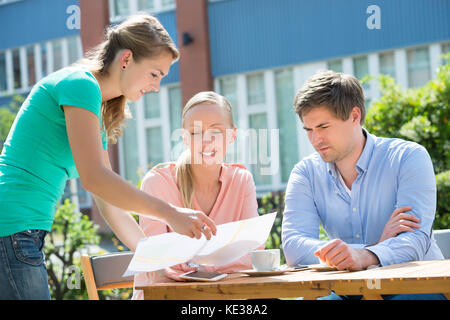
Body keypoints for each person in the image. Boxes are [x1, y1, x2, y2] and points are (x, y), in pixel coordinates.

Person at [0, 14, 216, 300]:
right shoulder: (80, 85)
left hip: (20, 232)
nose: (156, 87)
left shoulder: (94, 111)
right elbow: (94, 179)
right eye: (154, 74)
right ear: (126, 59)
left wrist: (158, 263)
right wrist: (170, 213)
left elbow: (110, 203)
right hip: (12, 228)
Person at [281, 70, 446, 300]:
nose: (315, 140)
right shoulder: (305, 173)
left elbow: (415, 240)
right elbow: (294, 247)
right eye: (309, 130)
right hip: (345, 288)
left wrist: (364, 255)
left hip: (412, 283)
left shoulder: (408, 158)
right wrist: (371, 248)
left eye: (323, 127)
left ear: (354, 116)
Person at [132, 91, 260, 300]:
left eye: (216, 131)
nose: (206, 141)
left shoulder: (241, 181)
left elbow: (249, 256)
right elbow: (159, 266)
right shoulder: (158, 183)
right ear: (184, 138)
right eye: (195, 133)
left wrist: (191, 265)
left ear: (232, 135)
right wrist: (219, 265)